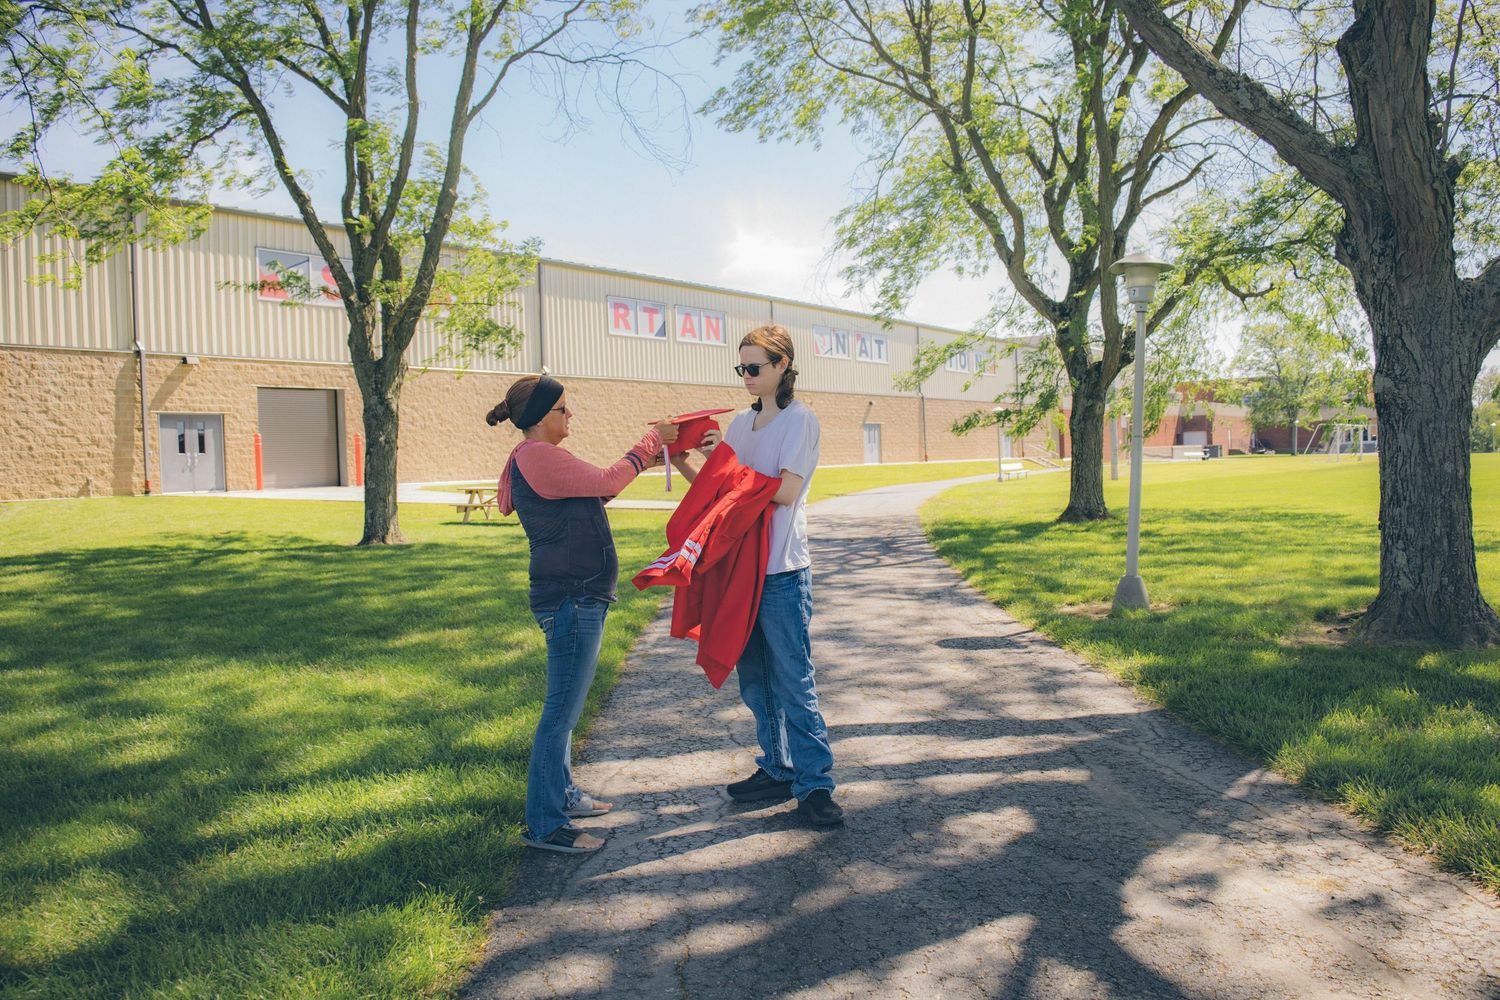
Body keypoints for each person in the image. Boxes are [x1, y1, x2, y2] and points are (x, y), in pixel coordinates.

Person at [488, 374, 678, 853]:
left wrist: (646, 461)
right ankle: (545, 825)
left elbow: (597, 493)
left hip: (577, 595)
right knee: (560, 714)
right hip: (571, 598)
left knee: (564, 712)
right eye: (562, 410)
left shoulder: (538, 459)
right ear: (538, 418)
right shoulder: (538, 455)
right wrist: (653, 438)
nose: (570, 416)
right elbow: (608, 479)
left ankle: (563, 795)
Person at [670, 324, 843, 828]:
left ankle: (815, 786)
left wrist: (725, 468)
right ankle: (777, 766)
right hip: (738, 566)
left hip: (782, 570)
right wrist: (697, 458)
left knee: (794, 681)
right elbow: (722, 494)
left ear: (782, 366)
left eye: (754, 367)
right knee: (755, 680)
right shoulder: (742, 426)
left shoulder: (800, 421)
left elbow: (785, 492)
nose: (746, 376)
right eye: (741, 367)